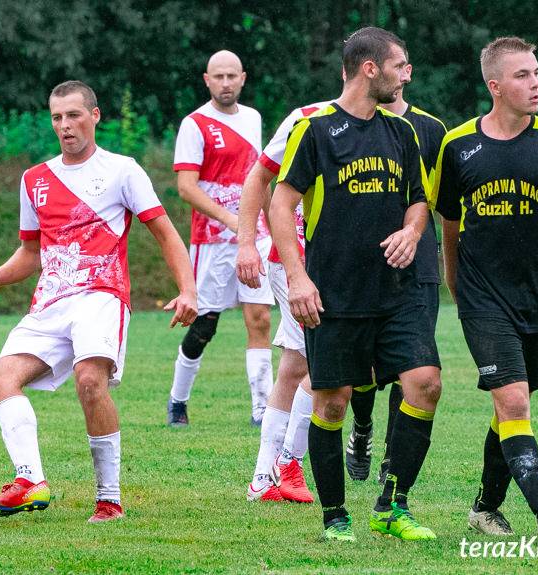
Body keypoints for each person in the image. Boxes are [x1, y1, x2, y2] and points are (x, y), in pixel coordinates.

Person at [0, 81, 197, 523]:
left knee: (90, 381)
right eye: (57, 117)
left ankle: (109, 500)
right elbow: (31, 254)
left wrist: (188, 290)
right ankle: (30, 481)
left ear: (95, 116)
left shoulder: (122, 170)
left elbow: (165, 232)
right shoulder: (34, 180)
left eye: (73, 115)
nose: (65, 125)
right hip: (51, 303)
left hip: (101, 296)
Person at [270, 27, 442, 542]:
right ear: (371, 68)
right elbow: (281, 205)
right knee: (333, 402)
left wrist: (412, 232)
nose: (404, 74)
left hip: (399, 292)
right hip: (334, 294)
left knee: (426, 383)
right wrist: (297, 278)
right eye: (399, 65)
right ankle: (334, 515)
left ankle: (393, 506)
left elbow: (419, 198)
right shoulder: (316, 131)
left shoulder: (402, 132)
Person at [434, 37, 538, 539]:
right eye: (522, 76)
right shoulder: (458, 146)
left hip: (536, 297)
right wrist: (454, 282)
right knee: (514, 402)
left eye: (536, 73)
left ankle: (485, 507)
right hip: (481, 298)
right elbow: (448, 223)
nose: (535, 84)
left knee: (513, 404)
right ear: (495, 86)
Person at [344, 52, 447, 484]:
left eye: (407, 64)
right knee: (365, 368)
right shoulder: (347, 125)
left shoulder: (430, 129)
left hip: (417, 264)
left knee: (414, 367)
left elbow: (435, 199)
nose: (402, 71)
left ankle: (392, 458)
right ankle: (363, 427)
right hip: (365, 262)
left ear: (408, 72)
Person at [167, 50, 275, 427]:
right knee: (204, 324)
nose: (226, 83)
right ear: (207, 80)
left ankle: (262, 409)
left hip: (254, 236)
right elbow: (185, 187)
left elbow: (258, 178)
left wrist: (269, 224)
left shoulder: (253, 119)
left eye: (232, 76)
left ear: (243, 78)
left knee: (259, 317)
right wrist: (229, 218)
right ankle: (178, 401)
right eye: (219, 76)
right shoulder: (194, 124)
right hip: (212, 240)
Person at [237, 101, 331, 503]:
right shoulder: (306, 117)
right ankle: (288, 462)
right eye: (396, 67)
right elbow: (260, 175)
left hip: (343, 265)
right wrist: (246, 243)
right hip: (295, 261)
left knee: (297, 366)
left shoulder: (396, 125)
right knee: (323, 366)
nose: (404, 77)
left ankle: (263, 477)